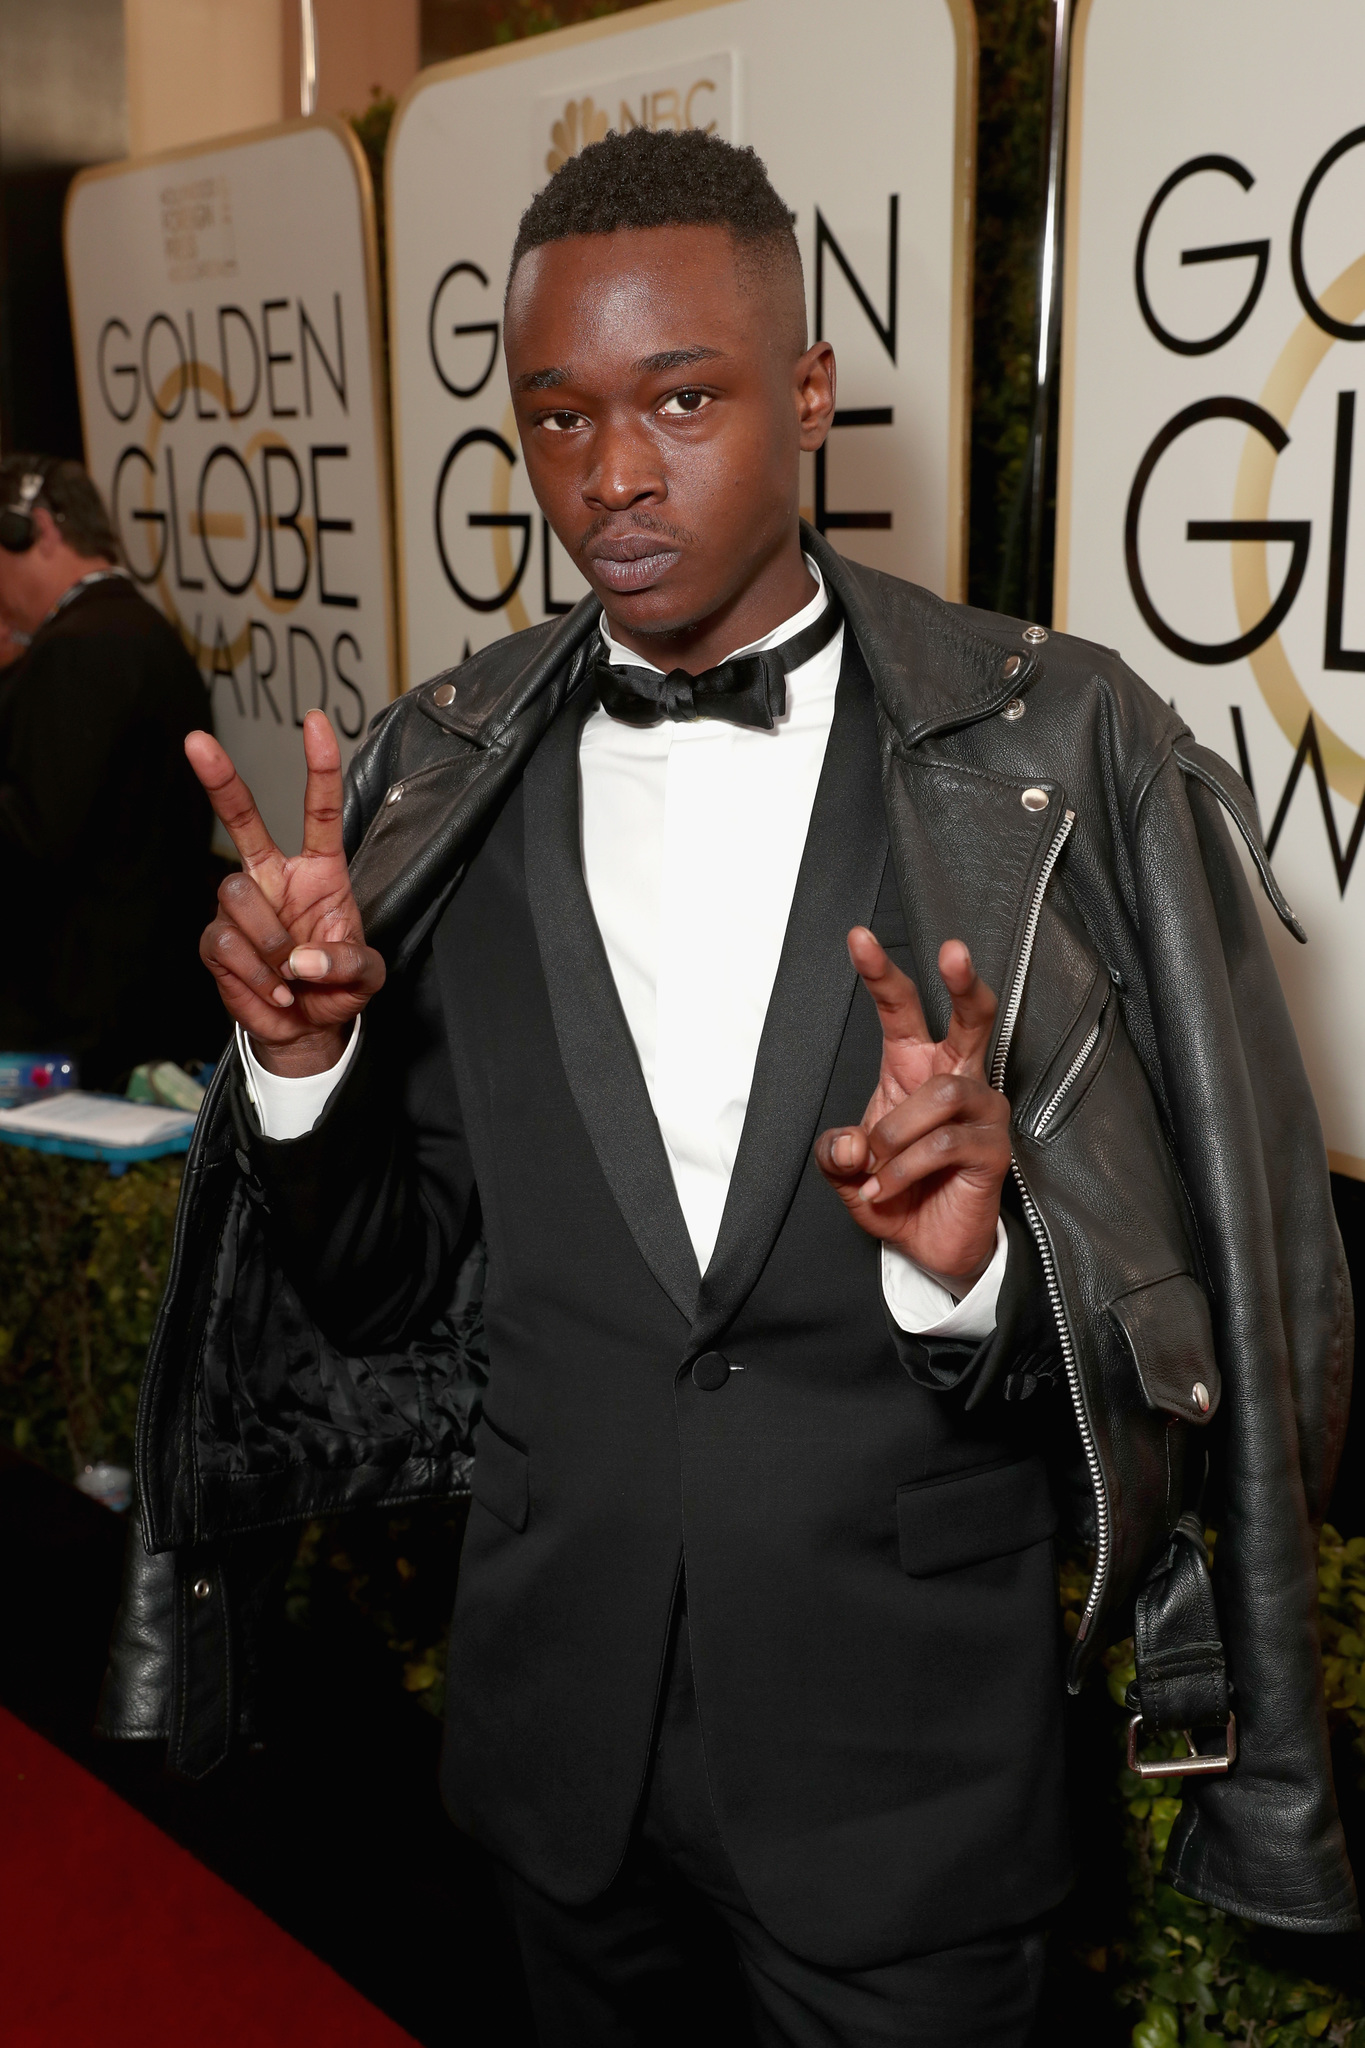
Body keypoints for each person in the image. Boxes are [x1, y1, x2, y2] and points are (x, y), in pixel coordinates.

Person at [103, 131, 1354, 2044]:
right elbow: (383, 1288)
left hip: (906, 1788)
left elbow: (1243, 1325)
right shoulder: (459, 772)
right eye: (559, 415)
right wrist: (305, 1065)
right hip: (555, 1762)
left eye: (681, 399)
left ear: (809, 396)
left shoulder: (1057, 750)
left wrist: (970, 1275)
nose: (612, 474)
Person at [0, 455, 217, 1089]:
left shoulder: (77, 650)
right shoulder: (138, 630)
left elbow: (34, 837)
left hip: (82, 1021)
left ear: (38, 530)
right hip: (141, 1000)